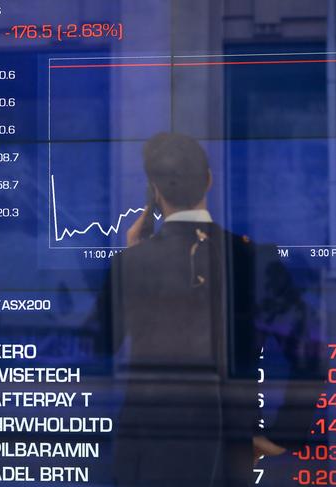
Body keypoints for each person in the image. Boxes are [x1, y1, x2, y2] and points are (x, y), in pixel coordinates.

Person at [97, 133, 315, 486]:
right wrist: (281, 435)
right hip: (227, 453)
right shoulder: (253, 260)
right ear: (209, 180)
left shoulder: (132, 263)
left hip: (146, 456)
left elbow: (102, 345)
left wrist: (132, 260)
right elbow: (308, 351)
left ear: (155, 189)